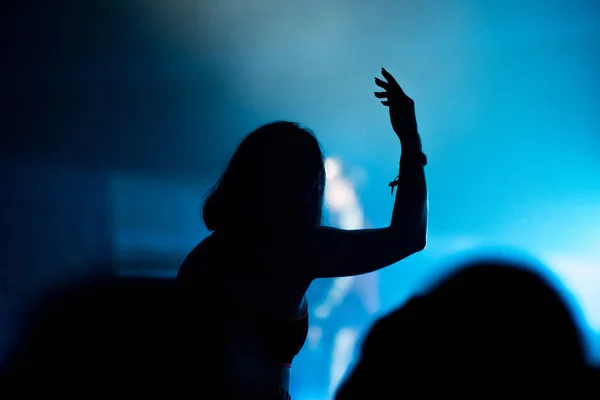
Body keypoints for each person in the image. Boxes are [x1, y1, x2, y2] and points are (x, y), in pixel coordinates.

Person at [176, 68, 428, 399]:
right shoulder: (293, 249)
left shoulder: (205, 256)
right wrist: (410, 138)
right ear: (306, 187)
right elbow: (408, 237)